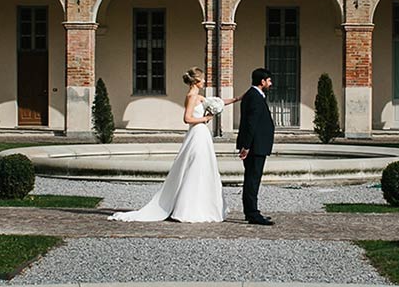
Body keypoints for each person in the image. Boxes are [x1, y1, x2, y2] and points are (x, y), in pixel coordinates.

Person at [110, 67, 226, 223]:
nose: (205, 81)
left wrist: (233, 100)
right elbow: (187, 119)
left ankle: (202, 205)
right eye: (203, 79)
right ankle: (188, 208)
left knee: (203, 167)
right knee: (195, 167)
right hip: (197, 133)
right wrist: (205, 119)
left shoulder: (199, 97)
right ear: (197, 81)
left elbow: (215, 104)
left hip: (202, 134)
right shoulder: (192, 96)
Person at [236, 67, 276, 226]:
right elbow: (250, 123)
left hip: (256, 145)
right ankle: (252, 213)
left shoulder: (253, 95)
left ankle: (251, 212)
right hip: (254, 147)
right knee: (252, 180)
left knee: (253, 179)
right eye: (269, 81)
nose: (271, 83)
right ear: (262, 81)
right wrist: (246, 146)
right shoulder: (254, 96)